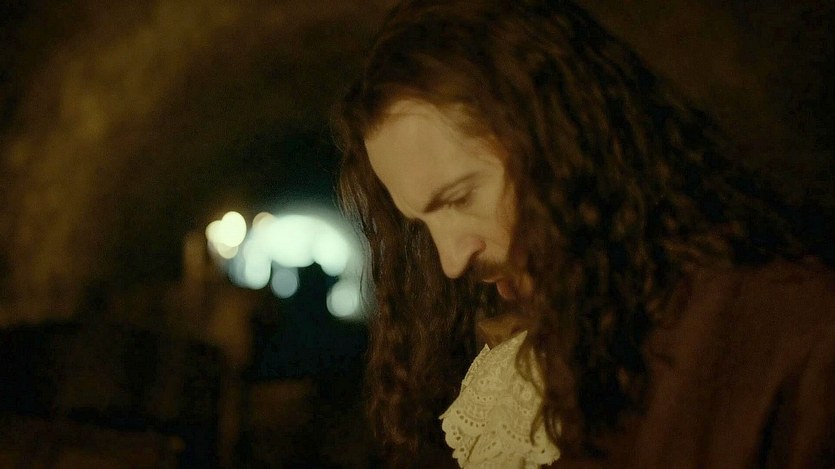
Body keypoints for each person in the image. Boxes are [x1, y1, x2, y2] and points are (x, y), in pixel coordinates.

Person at [333, 0, 835, 467]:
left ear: (563, 142)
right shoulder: (510, 369)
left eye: (461, 197)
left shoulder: (790, 333)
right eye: (422, 224)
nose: (451, 261)